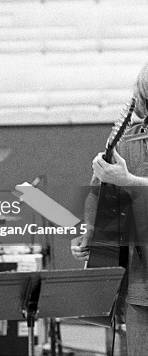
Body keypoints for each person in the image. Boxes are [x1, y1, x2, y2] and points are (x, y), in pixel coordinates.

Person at [71, 63, 148, 356]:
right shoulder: (128, 138)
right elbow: (99, 194)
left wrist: (130, 181)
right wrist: (90, 235)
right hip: (141, 286)